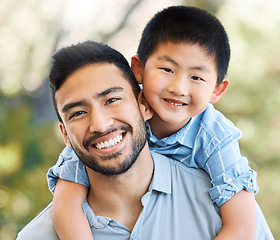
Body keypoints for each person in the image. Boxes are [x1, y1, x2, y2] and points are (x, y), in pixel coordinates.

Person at [16, 40, 274, 240]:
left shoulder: (224, 207)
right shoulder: (37, 236)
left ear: (144, 105)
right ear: (65, 136)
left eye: (112, 100)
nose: (100, 124)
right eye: (78, 113)